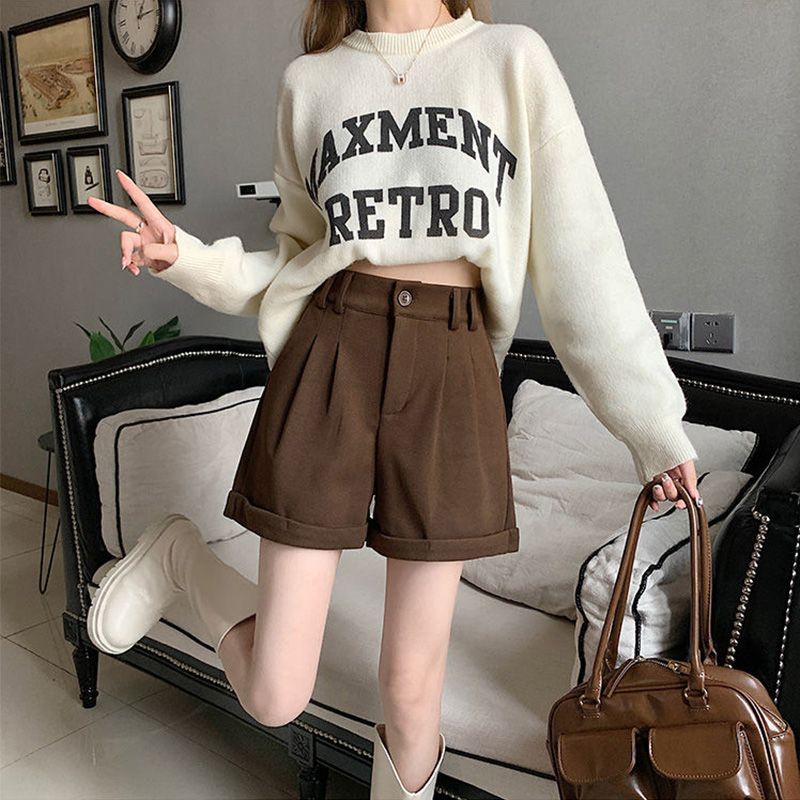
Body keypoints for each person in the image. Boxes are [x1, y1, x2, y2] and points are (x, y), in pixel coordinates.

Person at [85, 2, 701, 797]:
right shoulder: (311, 83)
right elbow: (296, 261)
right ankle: (179, 556)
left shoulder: (511, 59)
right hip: (331, 349)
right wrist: (188, 258)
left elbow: (584, 259)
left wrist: (654, 428)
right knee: (274, 693)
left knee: (412, 697)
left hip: (451, 366)